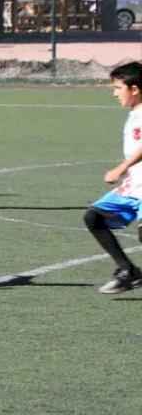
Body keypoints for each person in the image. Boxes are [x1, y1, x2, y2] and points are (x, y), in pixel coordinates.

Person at [83, 62, 142, 294]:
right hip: (134, 185)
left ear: (134, 89)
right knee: (94, 217)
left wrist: (121, 167)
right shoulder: (134, 113)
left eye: (118, 88)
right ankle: (128, 271)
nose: (114, 93)